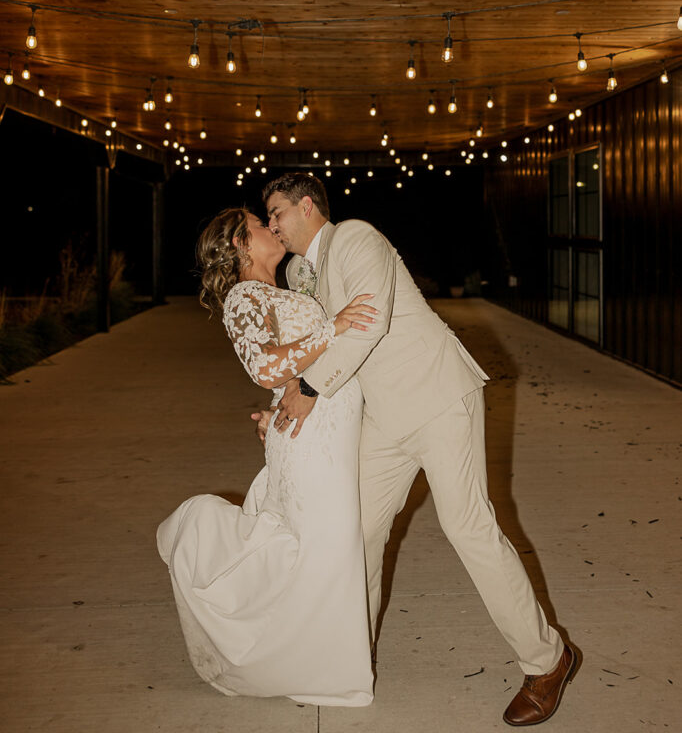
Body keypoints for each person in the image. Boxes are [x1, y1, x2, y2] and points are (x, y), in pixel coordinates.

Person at [260, 173, 578, 727]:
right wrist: (285, 395)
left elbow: (367, 323)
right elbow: (315, 343)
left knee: (468, 527)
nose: (271, 225)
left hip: (436, 396)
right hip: (384, 416)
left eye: (276, 213)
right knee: (355, 532)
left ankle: (549, 660)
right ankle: (347, 659)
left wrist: (310, 390)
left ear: (307, 206)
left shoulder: (357, 238)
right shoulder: (297, 272)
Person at [156, 207, 378, 706]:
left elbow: (291, 367)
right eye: (261, 223)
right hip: (310, 441)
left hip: (323, 429)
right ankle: (327, 674)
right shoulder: (244, 295)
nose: (271, 228)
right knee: (325, 547)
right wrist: (334, 326)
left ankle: (320, 667)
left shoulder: (283, 292)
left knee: (327, 550)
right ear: (241, 243)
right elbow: (264, 366)